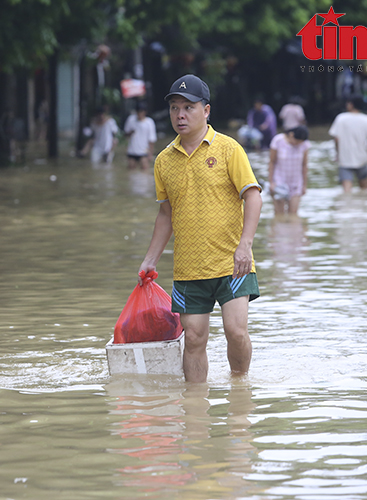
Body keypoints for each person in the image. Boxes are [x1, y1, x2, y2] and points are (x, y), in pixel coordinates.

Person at [138, 74, 262, 382]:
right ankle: (195, 411)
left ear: (206, 111)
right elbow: (165, 214)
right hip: (189, 268)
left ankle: (239, 386)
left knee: (235, 331)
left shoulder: (228, 149)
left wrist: (245, 245)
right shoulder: (164, 161)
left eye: (188, 107)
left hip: (232, 262)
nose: (180, 115)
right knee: (193, 339)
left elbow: (253, 195)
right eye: (174, 108)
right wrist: (150, 259)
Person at [328, 95, 367, 193]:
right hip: (362, 157)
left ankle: (347, 207)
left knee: (346, 190)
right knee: (364, 188)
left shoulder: (341, 118)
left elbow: (336, 139)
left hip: (345, 158)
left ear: (351, 105)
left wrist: (338, 153)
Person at [268, 126, 310, 217]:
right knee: (279, 215)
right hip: (279, 181)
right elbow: (272, 162)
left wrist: (304, 185)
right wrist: (271, 182)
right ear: (291, 135)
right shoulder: (278, 140)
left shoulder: (304, 144)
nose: (297, 144)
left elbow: (304, 165)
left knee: (293, 214)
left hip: (296, 182)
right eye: (296, 142)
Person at [124, 101, 157, 170]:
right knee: (131, 172)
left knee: (145, 172)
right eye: (138, 111)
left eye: (141, 111)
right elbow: (125, 134)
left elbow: (151, 140)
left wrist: (150, 153)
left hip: (144, 151)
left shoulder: (149, 122)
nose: (139, 113)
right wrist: (130, 133)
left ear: (145, 112)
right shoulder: (131, 120)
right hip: (132, 151)